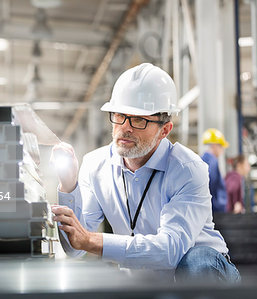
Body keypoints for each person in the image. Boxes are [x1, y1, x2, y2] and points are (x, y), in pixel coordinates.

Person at [51, 63, 240, 283]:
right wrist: (68, 187)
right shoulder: (95, 165)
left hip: (208, 277)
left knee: (197, 262)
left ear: (165, 130)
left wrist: (92, 241)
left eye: (139, 119)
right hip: (145, 283)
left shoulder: (187, 169)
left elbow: (171, 251)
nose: (125, 127)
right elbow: (76, 249)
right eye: (120, 115)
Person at [201, 129, 228, 213]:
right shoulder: (212, 161)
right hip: (214, 209)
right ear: (215, 145)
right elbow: (210, 184)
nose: (222, 150)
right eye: (221, 147)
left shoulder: (202, 159)